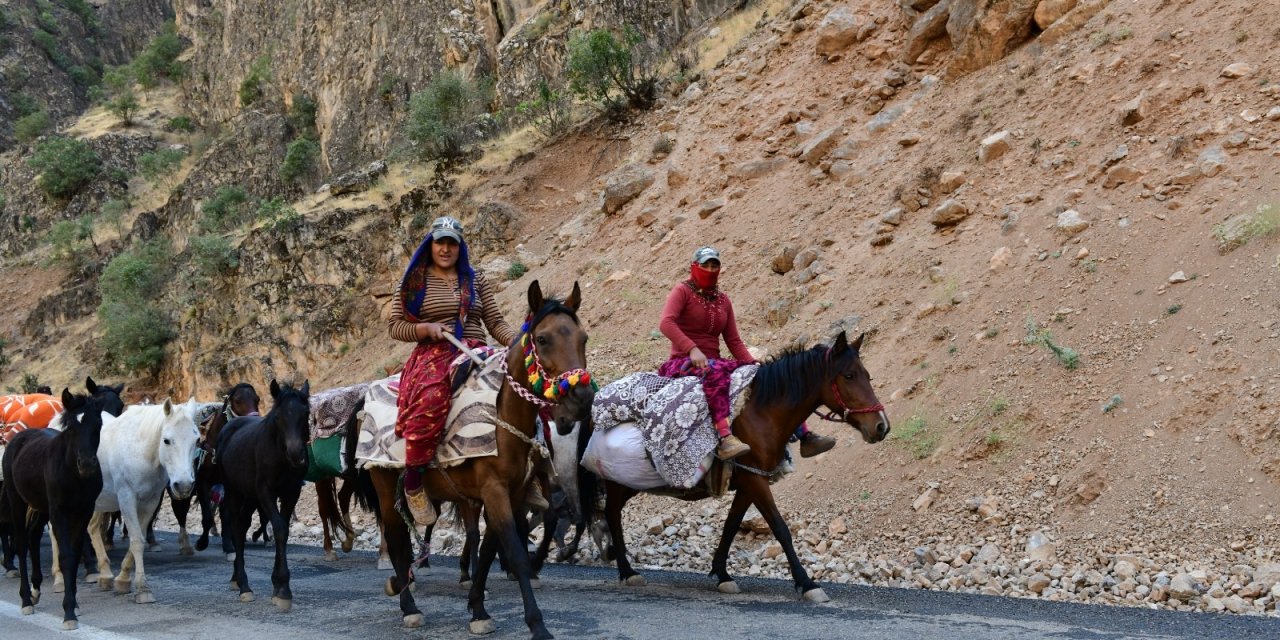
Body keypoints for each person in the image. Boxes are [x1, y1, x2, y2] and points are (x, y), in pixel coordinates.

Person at [388, 215, 529, 525]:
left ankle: (530, 470)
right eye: (441, 242)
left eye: (452, 243)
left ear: (460, 247)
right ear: (431, 243)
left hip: (478, 349)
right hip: (434, 353)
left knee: (526, 390)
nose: (446, 248)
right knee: (431, 399)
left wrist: (520, 345)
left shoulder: (475, 279)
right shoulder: (415, 281)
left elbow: (494, 322)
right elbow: (395, 326)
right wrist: (425, 328)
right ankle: (413, 480)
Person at [658, 246, 836, 461]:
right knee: (715, 374)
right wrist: (691, 349)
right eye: (706, 265)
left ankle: (805, 435)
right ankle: (725, 439)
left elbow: (733, 340)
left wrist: (753, 363)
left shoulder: (723, 301)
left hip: (714, 361)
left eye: (715, 265)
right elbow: (666, 323)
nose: (710, 269)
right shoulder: (682, 291)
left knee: (769, 375)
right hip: (683, 361)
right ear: (694, 267)